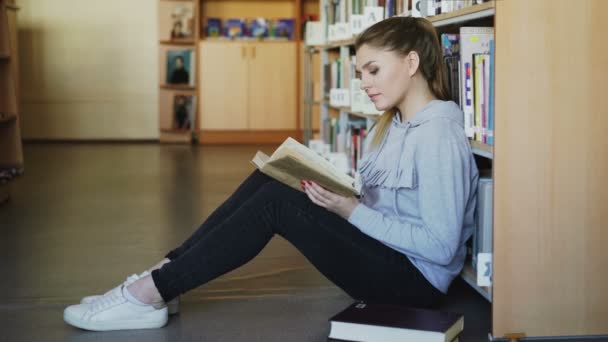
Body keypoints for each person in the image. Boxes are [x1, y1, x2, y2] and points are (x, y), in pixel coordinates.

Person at [63, 16, 479, 331]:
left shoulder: (439, 134)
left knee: (277, 202)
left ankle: (150, 292)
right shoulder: (393, 124)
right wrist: (339, 196)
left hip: (412, 283)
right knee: (272, 179)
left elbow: (441, 248)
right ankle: (163, 277)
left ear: (411, 62)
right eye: (359, 74)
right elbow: (384, 205)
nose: (364, 83)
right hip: (381, 252)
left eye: (373, 70)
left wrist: (351, 211)